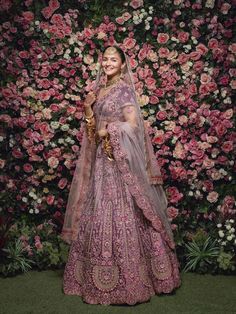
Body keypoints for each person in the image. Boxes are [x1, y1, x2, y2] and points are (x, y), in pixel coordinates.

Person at [61, 45, 181, 305]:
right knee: (99, 209)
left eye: (113, 59)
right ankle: (94, 278)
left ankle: (139, 278)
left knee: (125, 210)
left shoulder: (124, 90)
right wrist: (88, 110)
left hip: (121, 163)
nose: (107, 62)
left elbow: (134, 125)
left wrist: (110, 130)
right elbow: (92, 134)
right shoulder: (99, 91)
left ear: (123, 64)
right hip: (102, 164)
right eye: (105, 59)